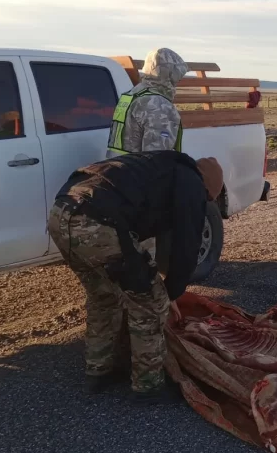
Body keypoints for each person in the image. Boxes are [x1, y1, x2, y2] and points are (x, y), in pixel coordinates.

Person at [48, 151, 224, 399]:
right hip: (98, 222)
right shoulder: (192, 182)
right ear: (207, 188)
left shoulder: (162, 168)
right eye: (207, 198)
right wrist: (170, 292)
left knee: (104, 298)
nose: (203, 202)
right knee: (149, 305)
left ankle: (98, 371)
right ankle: (148, 386)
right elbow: (187, 242)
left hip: (61, 213)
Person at [106, 47, 188, 158]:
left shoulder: (131, 95)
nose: (179, 80)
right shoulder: (159, 105)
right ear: (170, 74)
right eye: (178, 76)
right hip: (138, 173)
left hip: (116, 169)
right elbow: (157, 158)